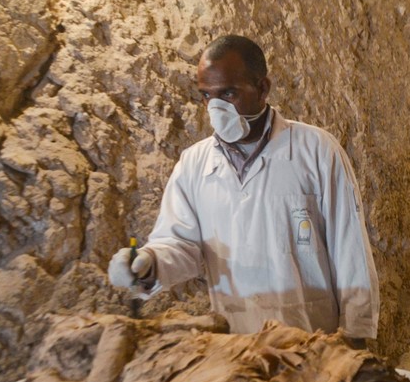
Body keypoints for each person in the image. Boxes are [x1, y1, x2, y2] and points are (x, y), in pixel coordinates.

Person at [109, 35, 379, 341]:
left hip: (311, 338)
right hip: (236, 341)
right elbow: (182, 245)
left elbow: (349, 250)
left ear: (262, 88)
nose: (215, 108)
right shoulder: (193, 165)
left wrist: (355, 336)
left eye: (228, 93)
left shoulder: (315, 151)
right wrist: (150, 264)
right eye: (207, 96)